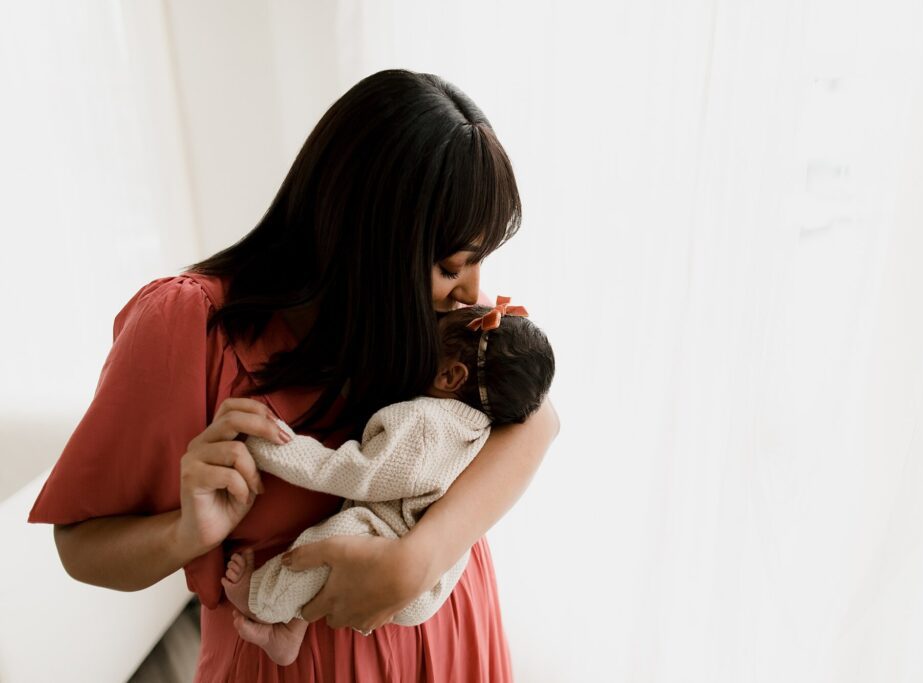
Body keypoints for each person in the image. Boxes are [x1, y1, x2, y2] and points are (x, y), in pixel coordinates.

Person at [26, 69, 560, 681]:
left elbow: (540, 418)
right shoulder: (187, 325)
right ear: (369, 247)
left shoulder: (436, 318)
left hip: (455, 644)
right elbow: (80, 544)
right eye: (450, 265)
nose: (475, 290)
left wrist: (418, 560)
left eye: (480, 260)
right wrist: (185, 533)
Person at [220, 302, 555, 666]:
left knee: (333, 540)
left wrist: (266, 443)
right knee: (334, 550)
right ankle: (291, 631)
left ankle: (262, 601)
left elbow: (349, 472)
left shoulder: (425, 425)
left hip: (400, 554)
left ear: (449, 377)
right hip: (437, 570)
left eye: (432, 336)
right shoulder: (479, 420)